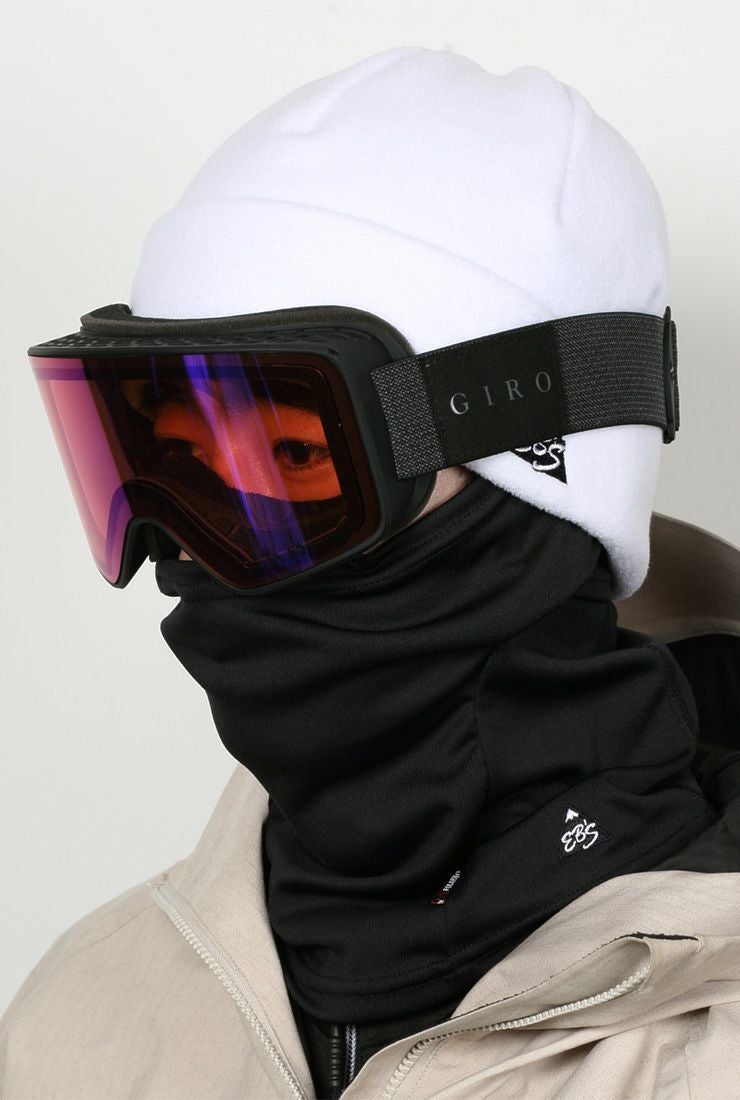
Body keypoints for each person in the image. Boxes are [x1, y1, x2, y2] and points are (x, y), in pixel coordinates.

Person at [2, 45, 739, 1099]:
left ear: (544, 473)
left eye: (292, 456)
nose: (203, 551)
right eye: (176, 468)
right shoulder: (82, 1020)